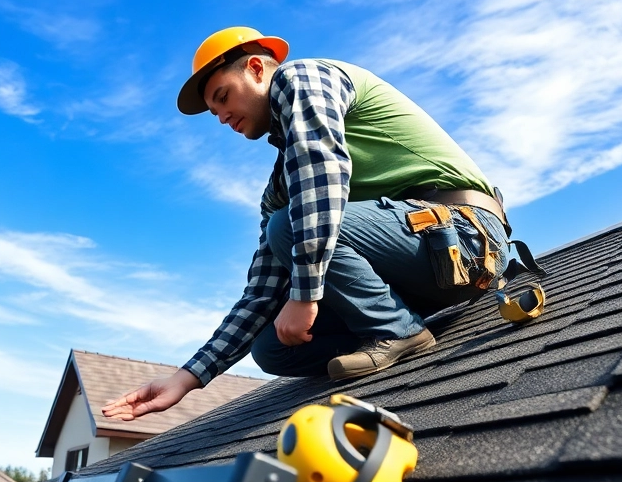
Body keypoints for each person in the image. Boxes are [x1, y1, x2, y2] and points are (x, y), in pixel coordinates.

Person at [103, 26, 515, 422]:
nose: (222, 116)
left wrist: (304, 295)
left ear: (257, 69)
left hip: (466, 238)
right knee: (273, 347)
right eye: (214, 112)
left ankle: (399, 330)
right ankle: (393, 321)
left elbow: (323, 172)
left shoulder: (304, 77)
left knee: (291, 227)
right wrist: (187, 377)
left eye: (223, 96)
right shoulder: (283, 182)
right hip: (425, 266)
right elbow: (261, 291)